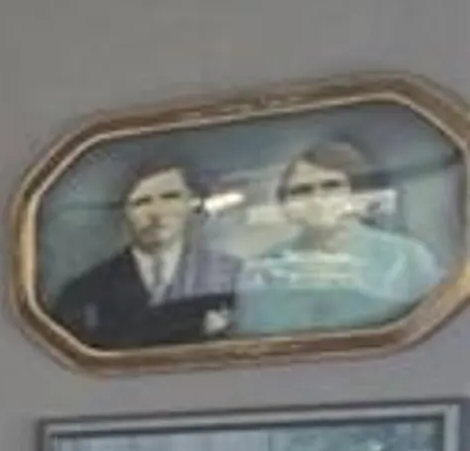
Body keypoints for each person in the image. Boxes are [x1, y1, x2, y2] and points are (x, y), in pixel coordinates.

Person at [234, 139, 443, 338]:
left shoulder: (405, 257)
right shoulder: (264, 268)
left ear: (355, 192)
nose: (317, 199)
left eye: (331, 186)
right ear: (285, 205)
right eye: (302, 191)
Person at [48, 155, 240, 350]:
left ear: (191, 203)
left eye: (170, 197)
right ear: (124, 212)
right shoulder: (83, 291)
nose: (157, 212)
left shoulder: (232, 274)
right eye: (142, 202)